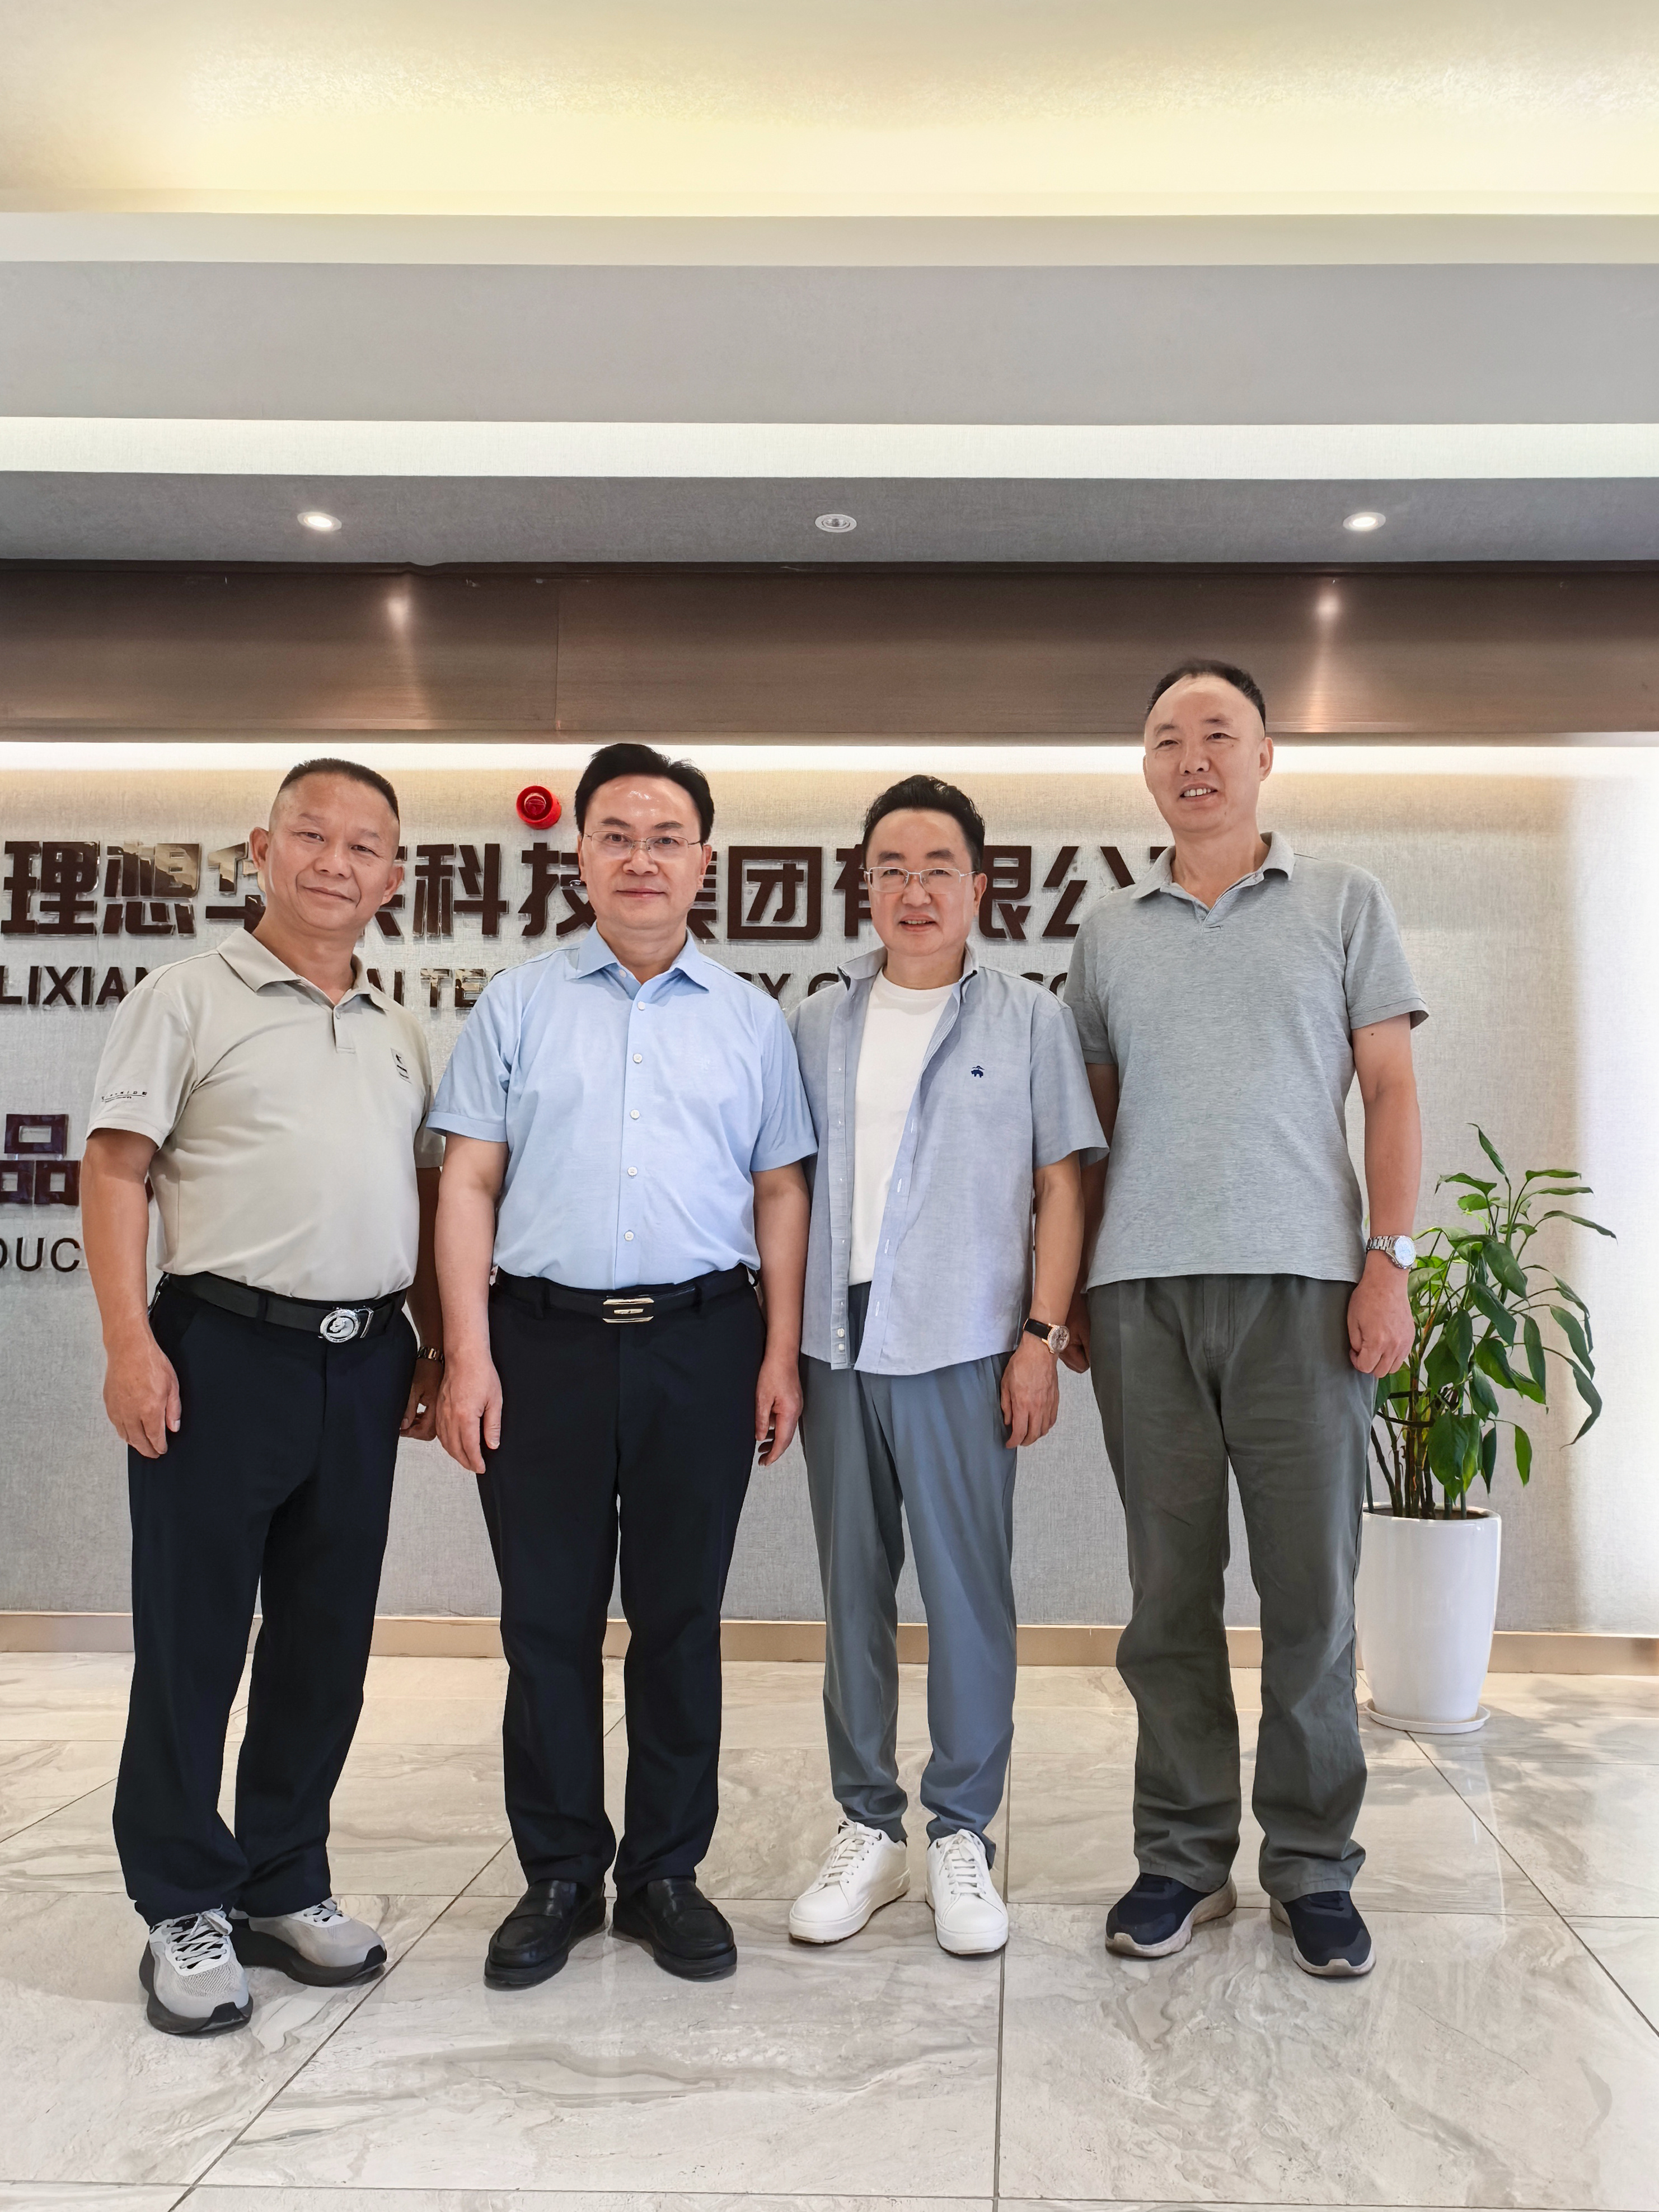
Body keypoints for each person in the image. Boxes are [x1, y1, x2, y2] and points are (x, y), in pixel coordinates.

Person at [1062, 659, 1425, 1980]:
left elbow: (1390, 1091)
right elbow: (1089, 1129)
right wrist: (1070, 1286)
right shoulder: (1109, 931)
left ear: (1266, 755)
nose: (1193, 756)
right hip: (1141, 1293)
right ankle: (1182, 1857)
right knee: (1167, 1595)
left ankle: (1314, 1866)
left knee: (1311, 1593)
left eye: (1219, 732)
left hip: (1306, 1288)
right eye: (1168, 736)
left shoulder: (1343, 900)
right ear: (1146, 766)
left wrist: (1388, 1260)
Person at [431, 741, 813, 1987]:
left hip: (704, 1343)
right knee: (545, 1620)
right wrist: (469, 1353)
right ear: (580, 855)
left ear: (704, 860)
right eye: (616, 834)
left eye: (665, 837)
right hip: (538, 1345)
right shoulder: (518, 1003)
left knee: (681, 1617)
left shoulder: (751, 1018)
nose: (641, 858)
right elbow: (468, 1181)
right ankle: (557, 1871)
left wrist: (779, 1353)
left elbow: (780, 1192)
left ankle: (664, 1873)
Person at [81, 759, 445, 2037]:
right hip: (220, 1351)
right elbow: (115, 1170)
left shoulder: (399, 1026)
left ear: (394, 875)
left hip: (367, 1357)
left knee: (323, 1639)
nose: (336, 862)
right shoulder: (186, 995)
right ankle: (184, 1897)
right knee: (194, 1636)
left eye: (365, 845)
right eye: (312, 835)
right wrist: (129, 1342)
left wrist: (432, 1346)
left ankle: (284, 1876)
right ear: (262, 847)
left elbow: (418, 1195)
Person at [786, 776, 1103, 1957]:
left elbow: (1061, 1184)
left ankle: (961, 1830)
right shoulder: (816, 1024)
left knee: (969, 1597)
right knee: (852, 1593)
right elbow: (782, 1191)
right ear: (863, 884)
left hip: (969, 1340)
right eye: (891, 869)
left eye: (937, 869)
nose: (913, 890)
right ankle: (868, 1827)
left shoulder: (1029, 1020)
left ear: (978, 885)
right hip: (835, 1339)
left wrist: (1041, 1337)